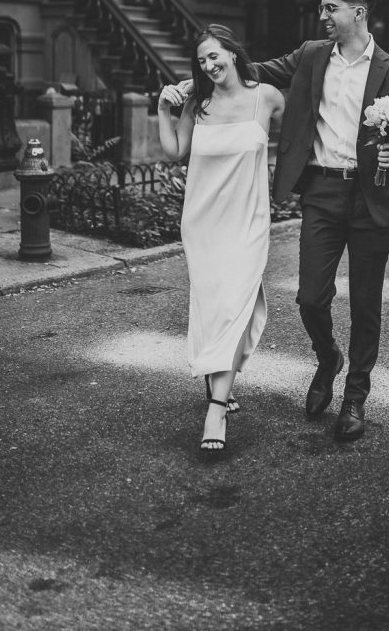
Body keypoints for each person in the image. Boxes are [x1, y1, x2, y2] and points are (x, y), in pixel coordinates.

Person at [253, 0, 389, 441]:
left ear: (357, 12)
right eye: (323, 7)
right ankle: (328, 357)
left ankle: (355, 395)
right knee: (310, 297)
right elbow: (257, 71)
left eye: (331, 8)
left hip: (372, 197)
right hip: (322, 191)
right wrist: (197, 77)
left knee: (366, 303)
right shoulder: (310, 56)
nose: (323, 15)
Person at [158, 24, 284, 455]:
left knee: (236, 306)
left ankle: (215, 407)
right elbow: (175, 150)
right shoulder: (198, 102)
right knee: (215, 309)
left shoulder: (266, 97)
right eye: (203, 60)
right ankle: (221, 387)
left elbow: (305, 132)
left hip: (248, 222)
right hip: (204, 222)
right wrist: (163, 109)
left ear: (233, 52)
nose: (210, 65)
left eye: (216, 55)